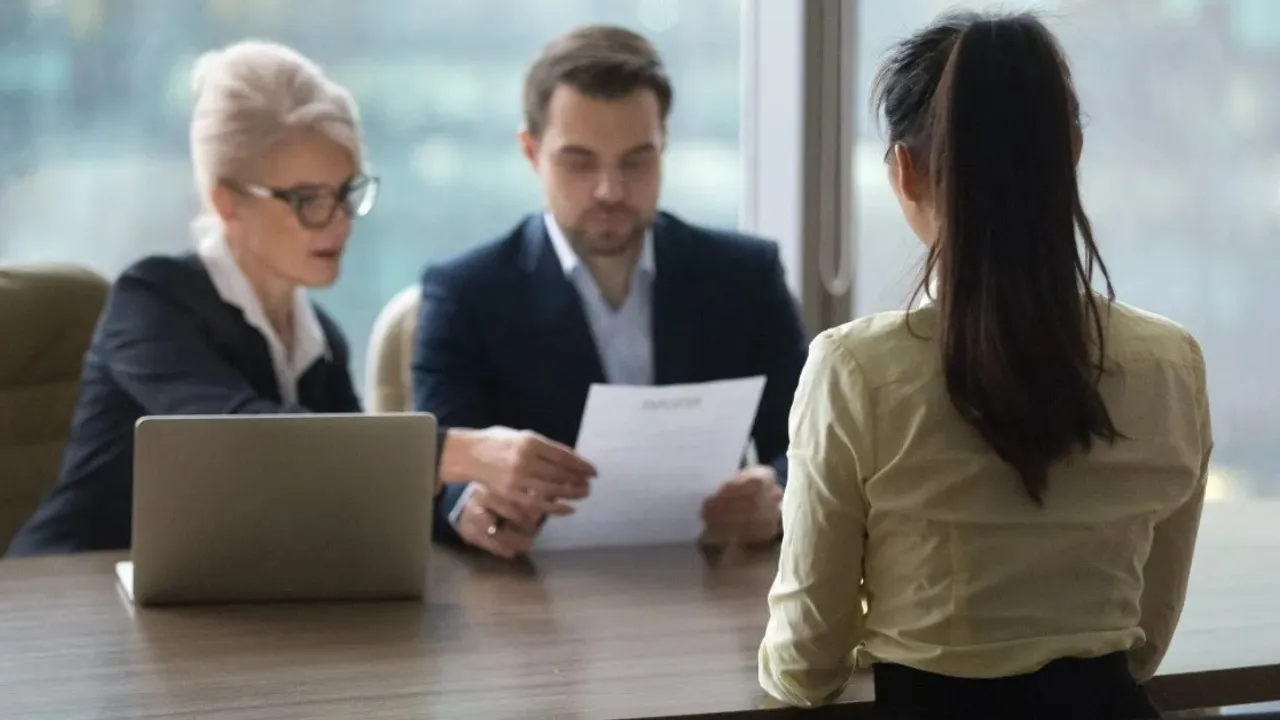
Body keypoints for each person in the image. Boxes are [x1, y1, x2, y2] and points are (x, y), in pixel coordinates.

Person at [758, 11, 1211, 720]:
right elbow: (1143, 643)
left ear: (904, 170)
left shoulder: (854, 370)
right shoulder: (1170, 363)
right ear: (1075, 153)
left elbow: (807, 665)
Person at [7, 41, 587, 557]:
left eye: (346, 192)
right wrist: (459, 450)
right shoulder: (152, 301)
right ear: (226, 200)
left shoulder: (319, 339)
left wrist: (466, 511)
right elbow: (246, 435)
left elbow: (361, 484)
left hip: (210, 615)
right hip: (67, 601)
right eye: (309, 199)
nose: (338, 221)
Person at [413, 25, 808, 560]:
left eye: (636, 160)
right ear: (531, 152)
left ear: (664, 146)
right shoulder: (464, 293)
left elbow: (809, 447)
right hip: (527, 602)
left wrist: (778, 494)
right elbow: (432, 465)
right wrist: (469, 508)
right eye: (579, 161)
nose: (610, 191)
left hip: (711, 586)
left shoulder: (745, 276)